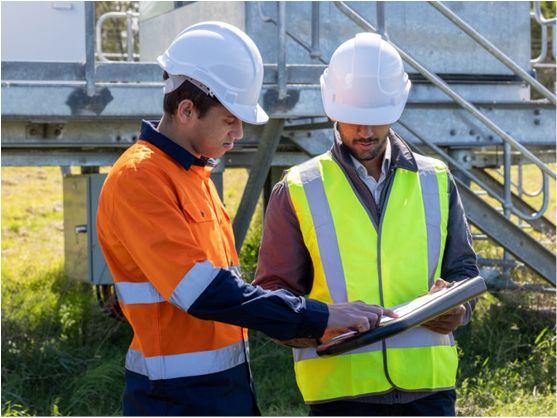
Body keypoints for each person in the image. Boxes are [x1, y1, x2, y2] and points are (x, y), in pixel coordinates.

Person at [97, 22, 389, 416]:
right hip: (174, 400)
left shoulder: (193, 175)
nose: (239, 132)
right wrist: (319, 315)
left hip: (222, 392)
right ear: (186, 110)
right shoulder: (140, 179)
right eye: (231, 119)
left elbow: (226, 292)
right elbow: (205, 292)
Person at [253, 32, 479, 416]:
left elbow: (464, 273)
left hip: (429, 393)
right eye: (354, 119)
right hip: (341, 394)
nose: (365, 132)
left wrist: (458, 307)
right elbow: (272, 294)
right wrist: (315, 327)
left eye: (376, 118)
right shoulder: (298, 188)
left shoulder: (436, 179)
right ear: (332, 109)